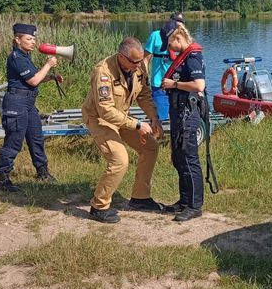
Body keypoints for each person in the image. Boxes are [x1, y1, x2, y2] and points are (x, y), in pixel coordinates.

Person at [82, 37, 166, 223]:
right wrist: (137, 125)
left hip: (122, 116)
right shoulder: (103, 72)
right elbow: (105, 110)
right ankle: (99, 207)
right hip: (100, 119)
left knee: (150, 147)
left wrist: (154, 118)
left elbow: (144, 95)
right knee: (119, 160)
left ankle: (140, 198)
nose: (139, 65)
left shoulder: (139, 66)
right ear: (122, 56)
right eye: (135, 62)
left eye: (140, 61)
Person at [0, 23, 62, 192]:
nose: (33, 41)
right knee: (14, 141)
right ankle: (3, 178)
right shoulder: (16, 58)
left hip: (28, 103)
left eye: (34, 38)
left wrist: (51, 77)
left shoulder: (25, 56)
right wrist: (48, 65)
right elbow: (33, 81)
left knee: (36, 137)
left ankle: (42, 172)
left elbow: (35, 77)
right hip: (16, 102)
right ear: (18, 40)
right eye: (29, 38)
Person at [161, 23, 206, 222]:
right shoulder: (183, 56)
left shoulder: (193, 56)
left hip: (188, 113)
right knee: (179, 157)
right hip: (179, 113)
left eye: (169, 44)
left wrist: (174, 84)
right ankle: (184, 201)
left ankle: (195, 206)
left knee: (189, 158)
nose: (169, 48)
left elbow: (199, 85)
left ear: (177, 38)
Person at [143, 12, 184, 121]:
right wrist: (145, 76)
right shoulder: (155, 36)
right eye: (175, 22)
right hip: (159, 83)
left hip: (178, 84)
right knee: (161, 116)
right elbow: (145, 59)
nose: (178, 25)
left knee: (178, 115)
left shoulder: (184, 40)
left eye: (180, 23)